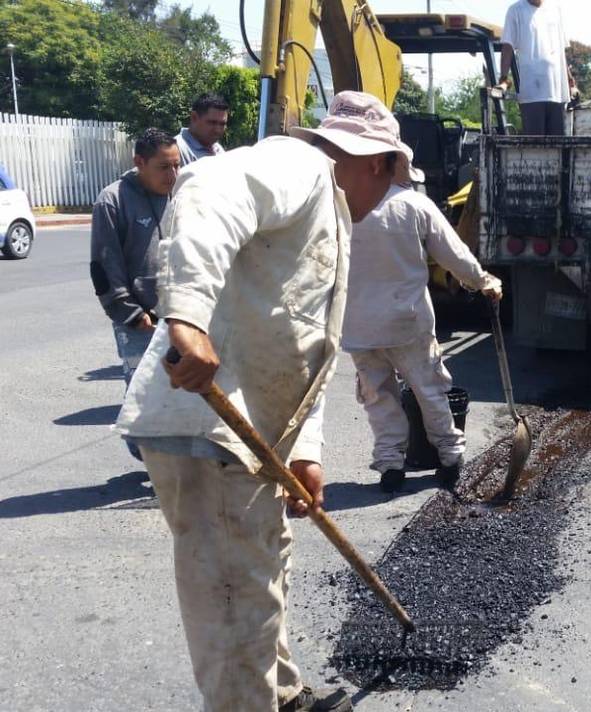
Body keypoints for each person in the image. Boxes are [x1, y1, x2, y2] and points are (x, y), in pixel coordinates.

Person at [114, 91, 415, 712]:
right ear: (377, 162)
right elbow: (206, 191)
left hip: (252, 442)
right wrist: (188, 318)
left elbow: (301, 343)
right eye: (390, 182)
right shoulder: (297, 167)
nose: (385, 198)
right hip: (211, 427)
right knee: (233, 602)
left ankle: (280, 696)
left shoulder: (327, 208)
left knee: (259, 575)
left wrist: (304, 452)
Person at [344, 178, 503, 493]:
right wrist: (483, 281)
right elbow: (453, 254)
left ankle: (390, 464)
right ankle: (449, 455)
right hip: (408, 322)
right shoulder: (415, 204)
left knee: (378, 396)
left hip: (358, 324)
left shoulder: (343, 205)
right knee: (429, 390)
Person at [90, 128, 180, 460]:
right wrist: (130, 313)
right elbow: (104, 267)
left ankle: (171, 464)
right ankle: (149, 455)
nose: (172, 175)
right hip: (139, 322)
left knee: (184, 393)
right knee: (144, 397)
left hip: (181, 315)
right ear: (139, 162)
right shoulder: (112, 200)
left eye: (176, 165)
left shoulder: (180, 194)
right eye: (163, 167)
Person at [497, 0, 578, 136]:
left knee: (558, 146)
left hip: (557, 92)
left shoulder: (555, 10)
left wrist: (570, 82)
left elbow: (560, 51)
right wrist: (504, 78)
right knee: (535, 146)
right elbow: (507, 47)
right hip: (532, 94)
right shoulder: (516, 10)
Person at [175, 92, 229, 165]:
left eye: (222, 124)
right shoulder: (177, 150)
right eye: (212, 123)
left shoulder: (218, 149)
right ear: (194, 117)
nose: (217, 130)